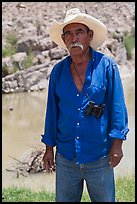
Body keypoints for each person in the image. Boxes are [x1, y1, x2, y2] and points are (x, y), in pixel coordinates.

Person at [41, 8, 129, 202]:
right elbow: (52, 112)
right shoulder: (58, 71)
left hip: (99, 155)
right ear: (64, 40)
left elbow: (118, 108)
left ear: (89, 35)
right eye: (69, 34)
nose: (74, 38)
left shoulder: (107, 66)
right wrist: (49, 148)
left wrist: (117, 144)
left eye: (79, 32)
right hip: (65, 157)